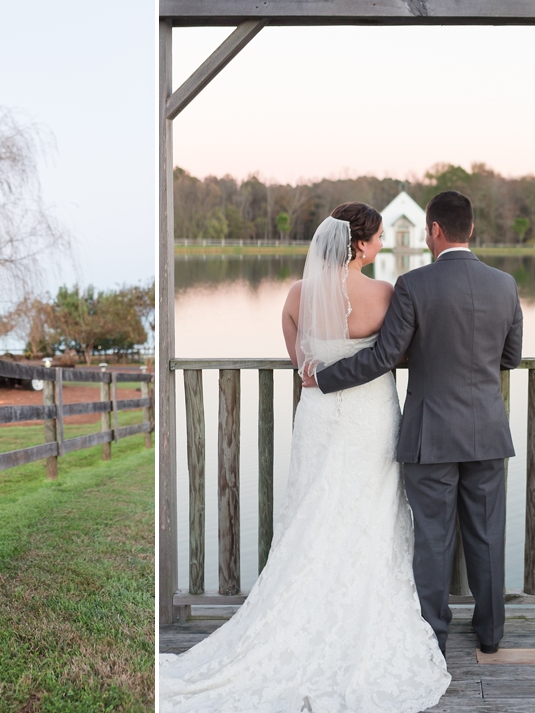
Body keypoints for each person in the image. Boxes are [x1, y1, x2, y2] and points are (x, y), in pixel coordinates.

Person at [159, 204, 450, 713]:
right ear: (358, 245)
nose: (382, 245)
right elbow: (399, 354)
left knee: (312, 509)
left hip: (317, 416)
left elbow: (302, 364)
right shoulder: (385, 293)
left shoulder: (297, 294)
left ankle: (293, 611)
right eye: (379, 238)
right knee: (369, 511)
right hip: (369, 417)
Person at [316, 191, 523, 656]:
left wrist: (324, 378)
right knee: (487, 537)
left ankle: (434, 638)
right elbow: (510, 357)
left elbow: (385, 357)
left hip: (430, 435)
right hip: (487, 432)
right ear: (469, 229)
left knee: (433, 538)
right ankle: (490, 636)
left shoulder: (413, 285)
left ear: (432, 230)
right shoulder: (505, 285)